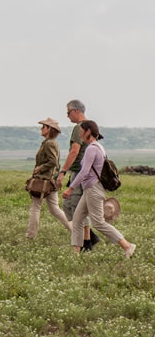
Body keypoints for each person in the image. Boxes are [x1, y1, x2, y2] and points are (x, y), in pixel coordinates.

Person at [62, 120, 136, 258]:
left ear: (88, 132)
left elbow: (84, 172)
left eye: (81, 131)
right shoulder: (99, 147)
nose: (80, 133)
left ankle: (127, 245)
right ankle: (75, 254)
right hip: (90, 189)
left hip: (93, 189)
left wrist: (70, 189)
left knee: (98, 223)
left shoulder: (91, 148)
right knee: (77, 220)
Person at [57, 100, 99, 251]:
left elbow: (74, 151)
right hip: (84, 173)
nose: (67, 116)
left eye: (68, 112)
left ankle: (86, 243)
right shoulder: (90, 126)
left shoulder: (79, 128)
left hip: (79, 173)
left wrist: (62, 171)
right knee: (70, 206)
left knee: (77, 208)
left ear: (75, 111)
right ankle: (89, 239)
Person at [26, 118, 72, 238]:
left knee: (35, 207)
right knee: (54, 209)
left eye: (44, 127)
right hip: (50, 182)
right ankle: (75, 231)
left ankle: (31, 236)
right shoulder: (50, 142)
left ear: (49, 129)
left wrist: (40, 168)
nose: (41, 129)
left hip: (44, 181)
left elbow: (53, 162)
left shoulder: (49, 143)